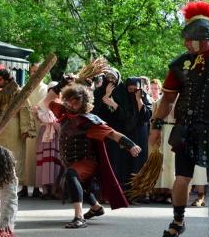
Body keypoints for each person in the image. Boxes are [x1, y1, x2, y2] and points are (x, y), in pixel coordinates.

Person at [149, 1, 209, 237]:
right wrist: (156, 125)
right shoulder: (180, 64)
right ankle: (178, 221)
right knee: (181, 179)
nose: (185, 44)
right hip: (185, 130)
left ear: (203, 38)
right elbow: (167, 99)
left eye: (189, 39)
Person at [45, 80, 140, 228]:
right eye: (69, 100)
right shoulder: (63, 112)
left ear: (83, 104)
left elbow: (113, 134)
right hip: (71, 161)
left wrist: (131, 145)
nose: (71, 104)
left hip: (87, 162)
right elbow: (48, 101)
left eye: (76, 102)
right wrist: (61, 84)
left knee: (71, 175)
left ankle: (79, 217)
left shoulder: (88, 121)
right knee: (78, 183)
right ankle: (96, 207)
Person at [0, 68, 36, 192]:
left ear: (8, 79)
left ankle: (12, 186)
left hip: (14, 128)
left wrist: (26, 129)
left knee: (15, 156)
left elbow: (25, 109)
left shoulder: (20, 93)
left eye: (0, 79)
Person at [21, 63, 48, 198]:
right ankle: (25, 186)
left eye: (37, 71)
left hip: (39, 126)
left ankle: (37, 187)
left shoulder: (45, 89)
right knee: (25, 156)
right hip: (27, 126)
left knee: (38, 156)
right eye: (32, 71)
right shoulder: (26, 88)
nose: (34, 74)